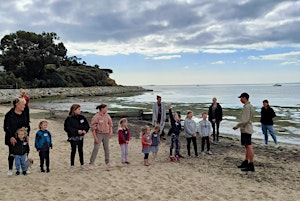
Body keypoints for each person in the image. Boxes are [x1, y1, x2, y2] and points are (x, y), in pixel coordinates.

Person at [4, 97, 31, 176]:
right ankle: (10, 169)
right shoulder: (9, 114)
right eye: (23, 104)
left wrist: (27, 135)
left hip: (23, 136)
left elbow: (27, 125)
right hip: (12, 136)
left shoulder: (24, 113)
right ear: (17, 105)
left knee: (25, 151)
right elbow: (6, 127)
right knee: (12, 152)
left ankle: (25, 168)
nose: (24, 106)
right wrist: (11, 137)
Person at [233, 92, 255, 172]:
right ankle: (246, 161)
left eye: (241, 98)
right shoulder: (249, 106)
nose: (240, 99)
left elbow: (245, 120)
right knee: (246, 146)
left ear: (244, 98)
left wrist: (237, 126)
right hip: (246, 128)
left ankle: (251, 164)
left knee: (249, 146)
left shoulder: (247, 107)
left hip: (246, 129)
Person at [64, 104, 90, 170]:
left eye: (79, 109)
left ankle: (82, 164)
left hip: (81, 136)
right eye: (78, 109)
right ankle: (72, 165)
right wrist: (76, 131)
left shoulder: (82, 117)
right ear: (74, 110)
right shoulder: (69, 118)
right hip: (73, 137)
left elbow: (86, 125)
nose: (79, 111)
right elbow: (67, 128)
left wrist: (85, 130)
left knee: (80, 150)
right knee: (73, 150)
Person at [89, 104, 113, 169]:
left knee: (106, 148)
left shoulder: (107, 116)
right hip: (99, 134)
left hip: (106, 133)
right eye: (106, 108)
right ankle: (91, 163)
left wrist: (111, 132)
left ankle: (107, 162)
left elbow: (110, 124)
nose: (107, 109)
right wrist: (95, 137)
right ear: (102, 109)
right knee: (96, 148)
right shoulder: (96, 117)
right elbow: (92, 128)